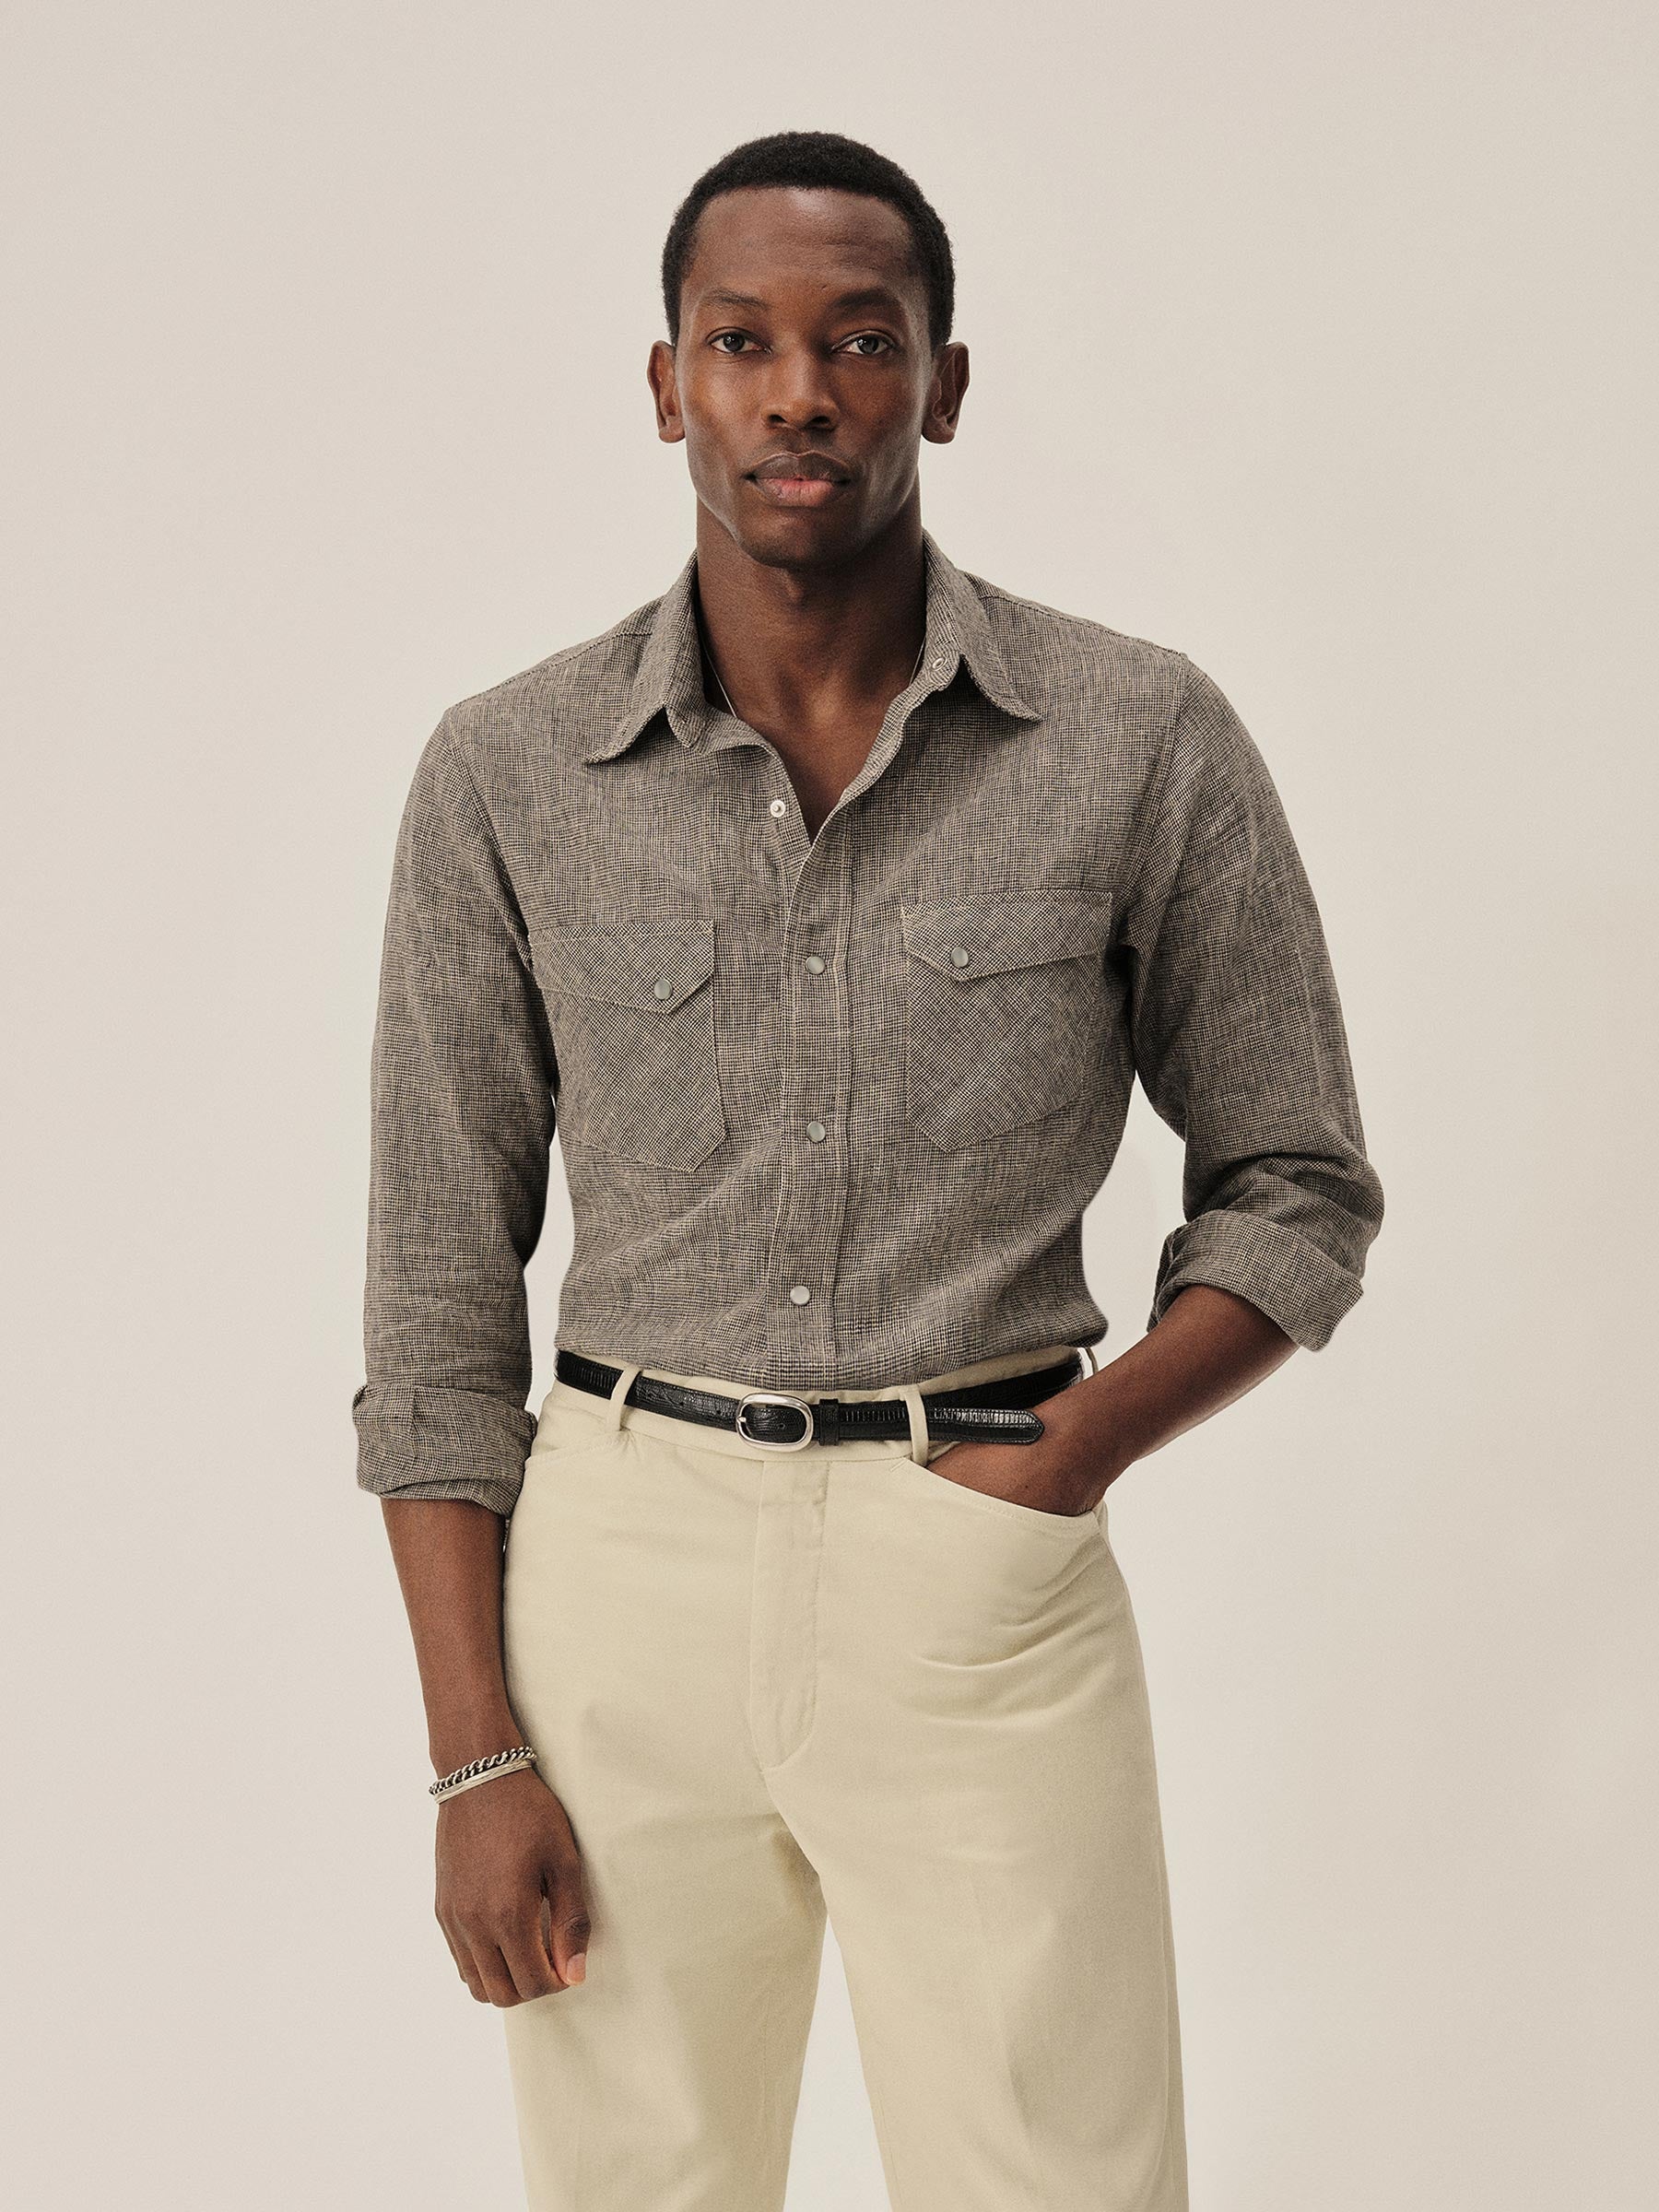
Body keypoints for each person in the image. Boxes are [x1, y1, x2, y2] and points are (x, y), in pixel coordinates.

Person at [351, 127, 1384, 2212]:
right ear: (668, 385)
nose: (800, 393)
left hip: (981, 1565)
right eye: (742, 342)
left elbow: (1298, 1183)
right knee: (635, 2190)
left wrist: (1070, 1455)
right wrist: (476, 1750)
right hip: (620, 1580)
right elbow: (437, 1291)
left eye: (862, 340)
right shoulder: (507, 772)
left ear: (946, 382)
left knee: (1061, 2183)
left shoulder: (1138, 736)